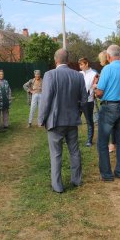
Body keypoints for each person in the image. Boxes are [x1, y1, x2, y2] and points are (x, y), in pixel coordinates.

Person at [38, 49, 87, 193]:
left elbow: (46, 100)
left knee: (56, 154)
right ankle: (76, 180)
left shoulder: (50, 75)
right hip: (72, 120)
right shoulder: (78, 76)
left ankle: (57, 186)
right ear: (68, 60)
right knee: (74, 151)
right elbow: (84, 99)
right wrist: (77, 112)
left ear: (56, 60)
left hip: (55, 121)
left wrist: (41, 119)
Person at [94, 45, 120, 181]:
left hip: (109, 106)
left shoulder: (107, 69)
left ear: (108, 56)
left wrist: (95, 89)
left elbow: (100, 92)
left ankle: (107, 174)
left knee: (102, 142)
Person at [78, 58, 98, 147]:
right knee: (74, 120)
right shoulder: (79, 74)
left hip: (88, 101)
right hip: (78, 101)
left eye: (82, 64)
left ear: (87, 64)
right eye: (79, 65)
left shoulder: (94, 74)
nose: (80, 66)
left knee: (89, 121)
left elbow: (95, 87)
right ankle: (72, 138)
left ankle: (89, 140)